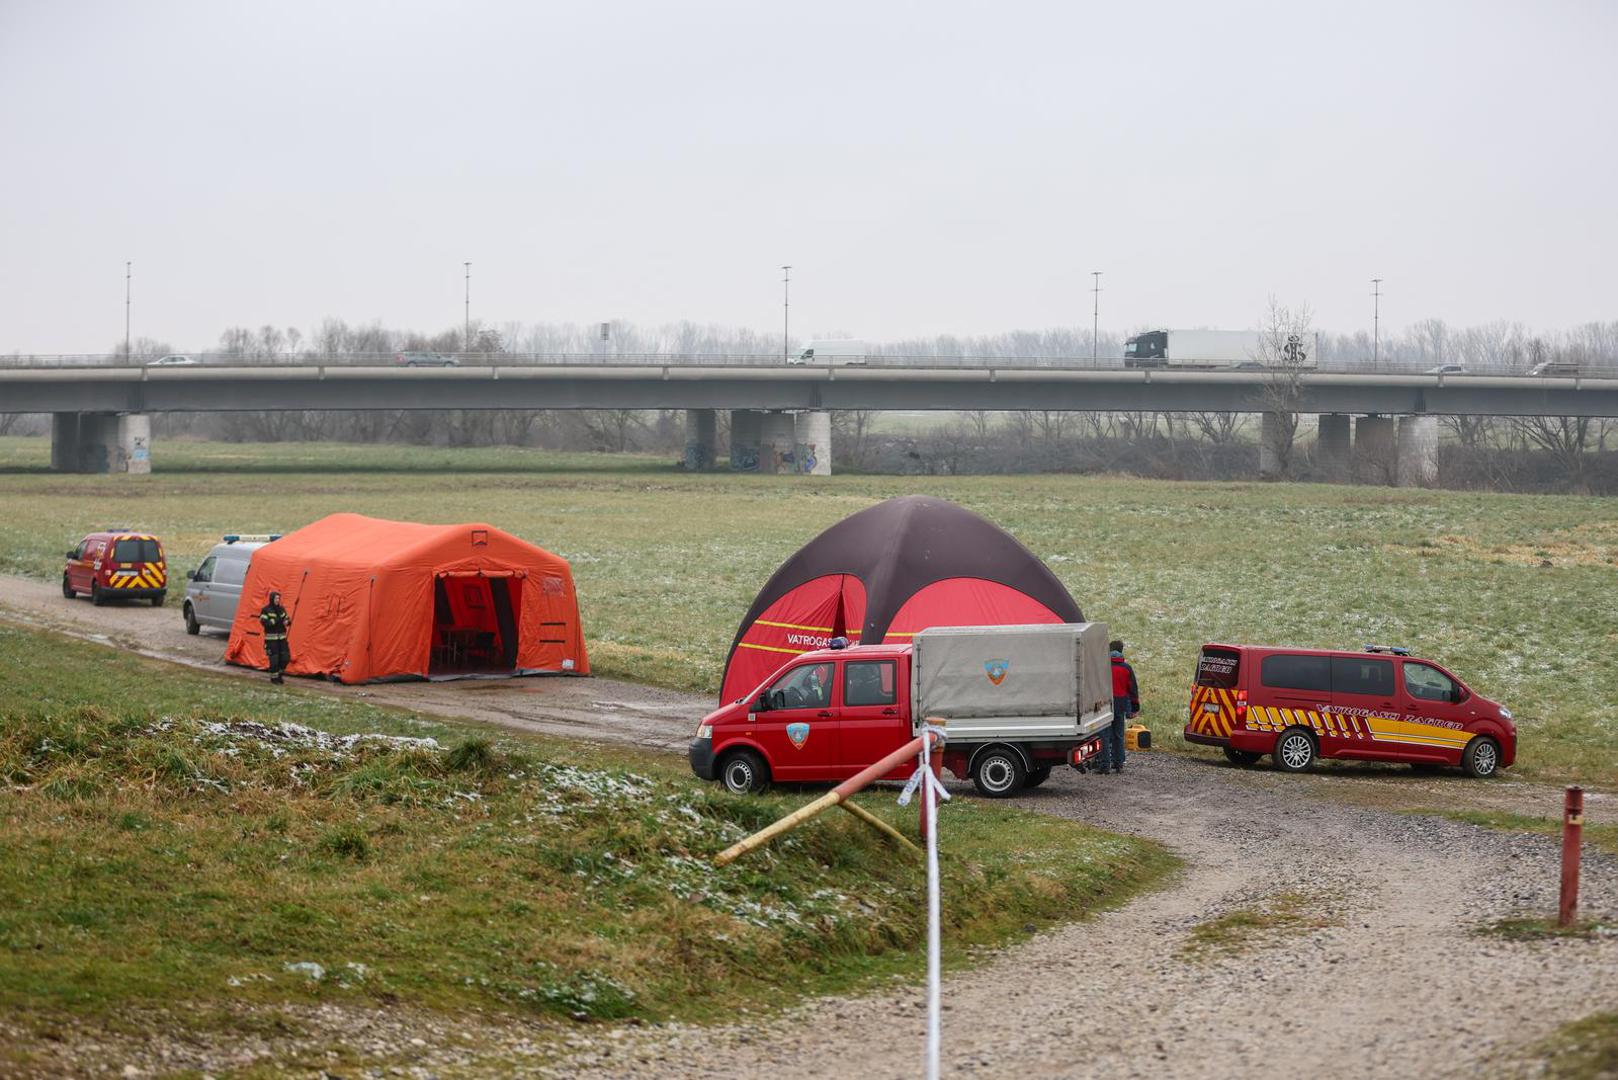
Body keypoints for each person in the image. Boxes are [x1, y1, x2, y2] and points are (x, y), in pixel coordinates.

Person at [1100, 638, 1140, 774]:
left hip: (1105, 703)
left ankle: (1104, 765)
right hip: (1121, 703)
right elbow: (1133, 689)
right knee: (1118, 735)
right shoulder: (1127, 668)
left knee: (1104, 735)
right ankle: (1118, 763)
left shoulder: (1104, 667)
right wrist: (1135, 707)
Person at [260, 590, 292, 684]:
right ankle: (274, 679)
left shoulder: (281, 609)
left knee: (286, 658)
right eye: (276, 598)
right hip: (271, 640)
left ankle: (279, 675)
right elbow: (264, 623)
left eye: (278, 598)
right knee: (274, 660)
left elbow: (286, 618)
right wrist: (275, 620)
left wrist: (287, 622)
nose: (278, 600)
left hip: (282, 638)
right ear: (271, 599)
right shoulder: (266, 610)